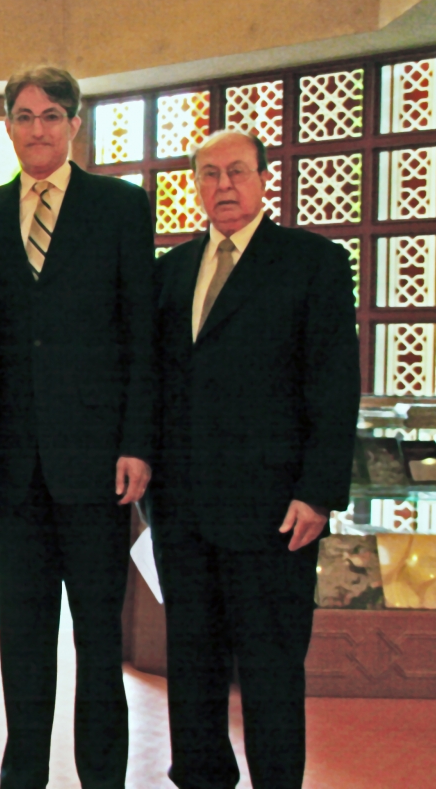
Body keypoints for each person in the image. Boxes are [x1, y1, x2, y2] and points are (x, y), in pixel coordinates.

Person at [0, 65, 156, 789]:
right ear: (7, 124)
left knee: (99, 636)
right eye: (23, 115)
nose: (37, 129)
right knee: (25, 637)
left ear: (75, 123)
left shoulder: (121, 207)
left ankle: (103, 774)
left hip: (99, 463)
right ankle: (24, 774)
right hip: (14, 470)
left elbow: (141, 333)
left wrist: (137, 441)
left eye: (51, 115)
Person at [150, 129, 359, 789]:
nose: (224, 187)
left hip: (275, 510)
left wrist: (318, 492)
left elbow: (334, 383)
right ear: (196, 185)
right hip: (183, 511)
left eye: (237, 171)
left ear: (266, 179)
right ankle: (201, 776)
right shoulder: (173, 270)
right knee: (194, 664)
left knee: (270, 669)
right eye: (208, 174)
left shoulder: (312, 262)